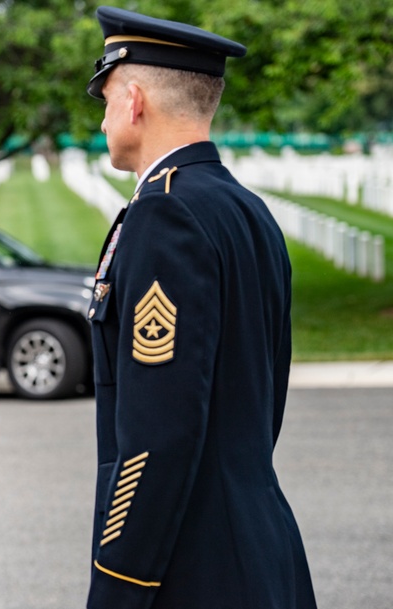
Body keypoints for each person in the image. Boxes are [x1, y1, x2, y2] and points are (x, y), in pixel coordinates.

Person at [82, 7, 317, 608]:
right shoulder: (245, 210)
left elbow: (158, 431)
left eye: (105, 97)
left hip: (189, 567)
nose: (103, 115)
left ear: (134, 99)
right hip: (257, 545)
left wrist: (119, 579)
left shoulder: (166, 214)